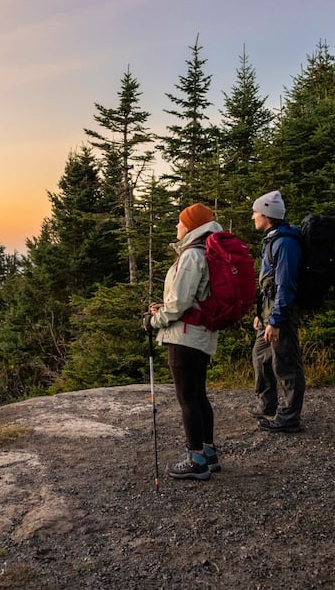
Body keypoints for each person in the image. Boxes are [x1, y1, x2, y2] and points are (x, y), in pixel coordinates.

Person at [146, 203, 223, 480]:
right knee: (198, 394)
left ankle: (196, 460)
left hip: (184, 337)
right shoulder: (206, 252)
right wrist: (163, 307)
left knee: (187, 397)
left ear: (190, 226)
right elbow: (191, 298)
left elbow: (179, 303)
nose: (177, 227)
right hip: (200, 334)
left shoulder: (192, 256)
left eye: (180, 223)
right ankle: (209, 453)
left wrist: (154, 320)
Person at [250, 190, 305, 432]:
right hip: (267, 316)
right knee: (260, 358)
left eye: (256, 212)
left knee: (286, 366)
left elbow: (286, 285)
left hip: (279, 317)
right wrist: (260, 314)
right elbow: (267, 285)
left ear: (267, 215)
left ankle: (290, 418)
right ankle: (267, 406)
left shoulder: (285, 243)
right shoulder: (272, 240)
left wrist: (276, 320)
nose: (253, 216)